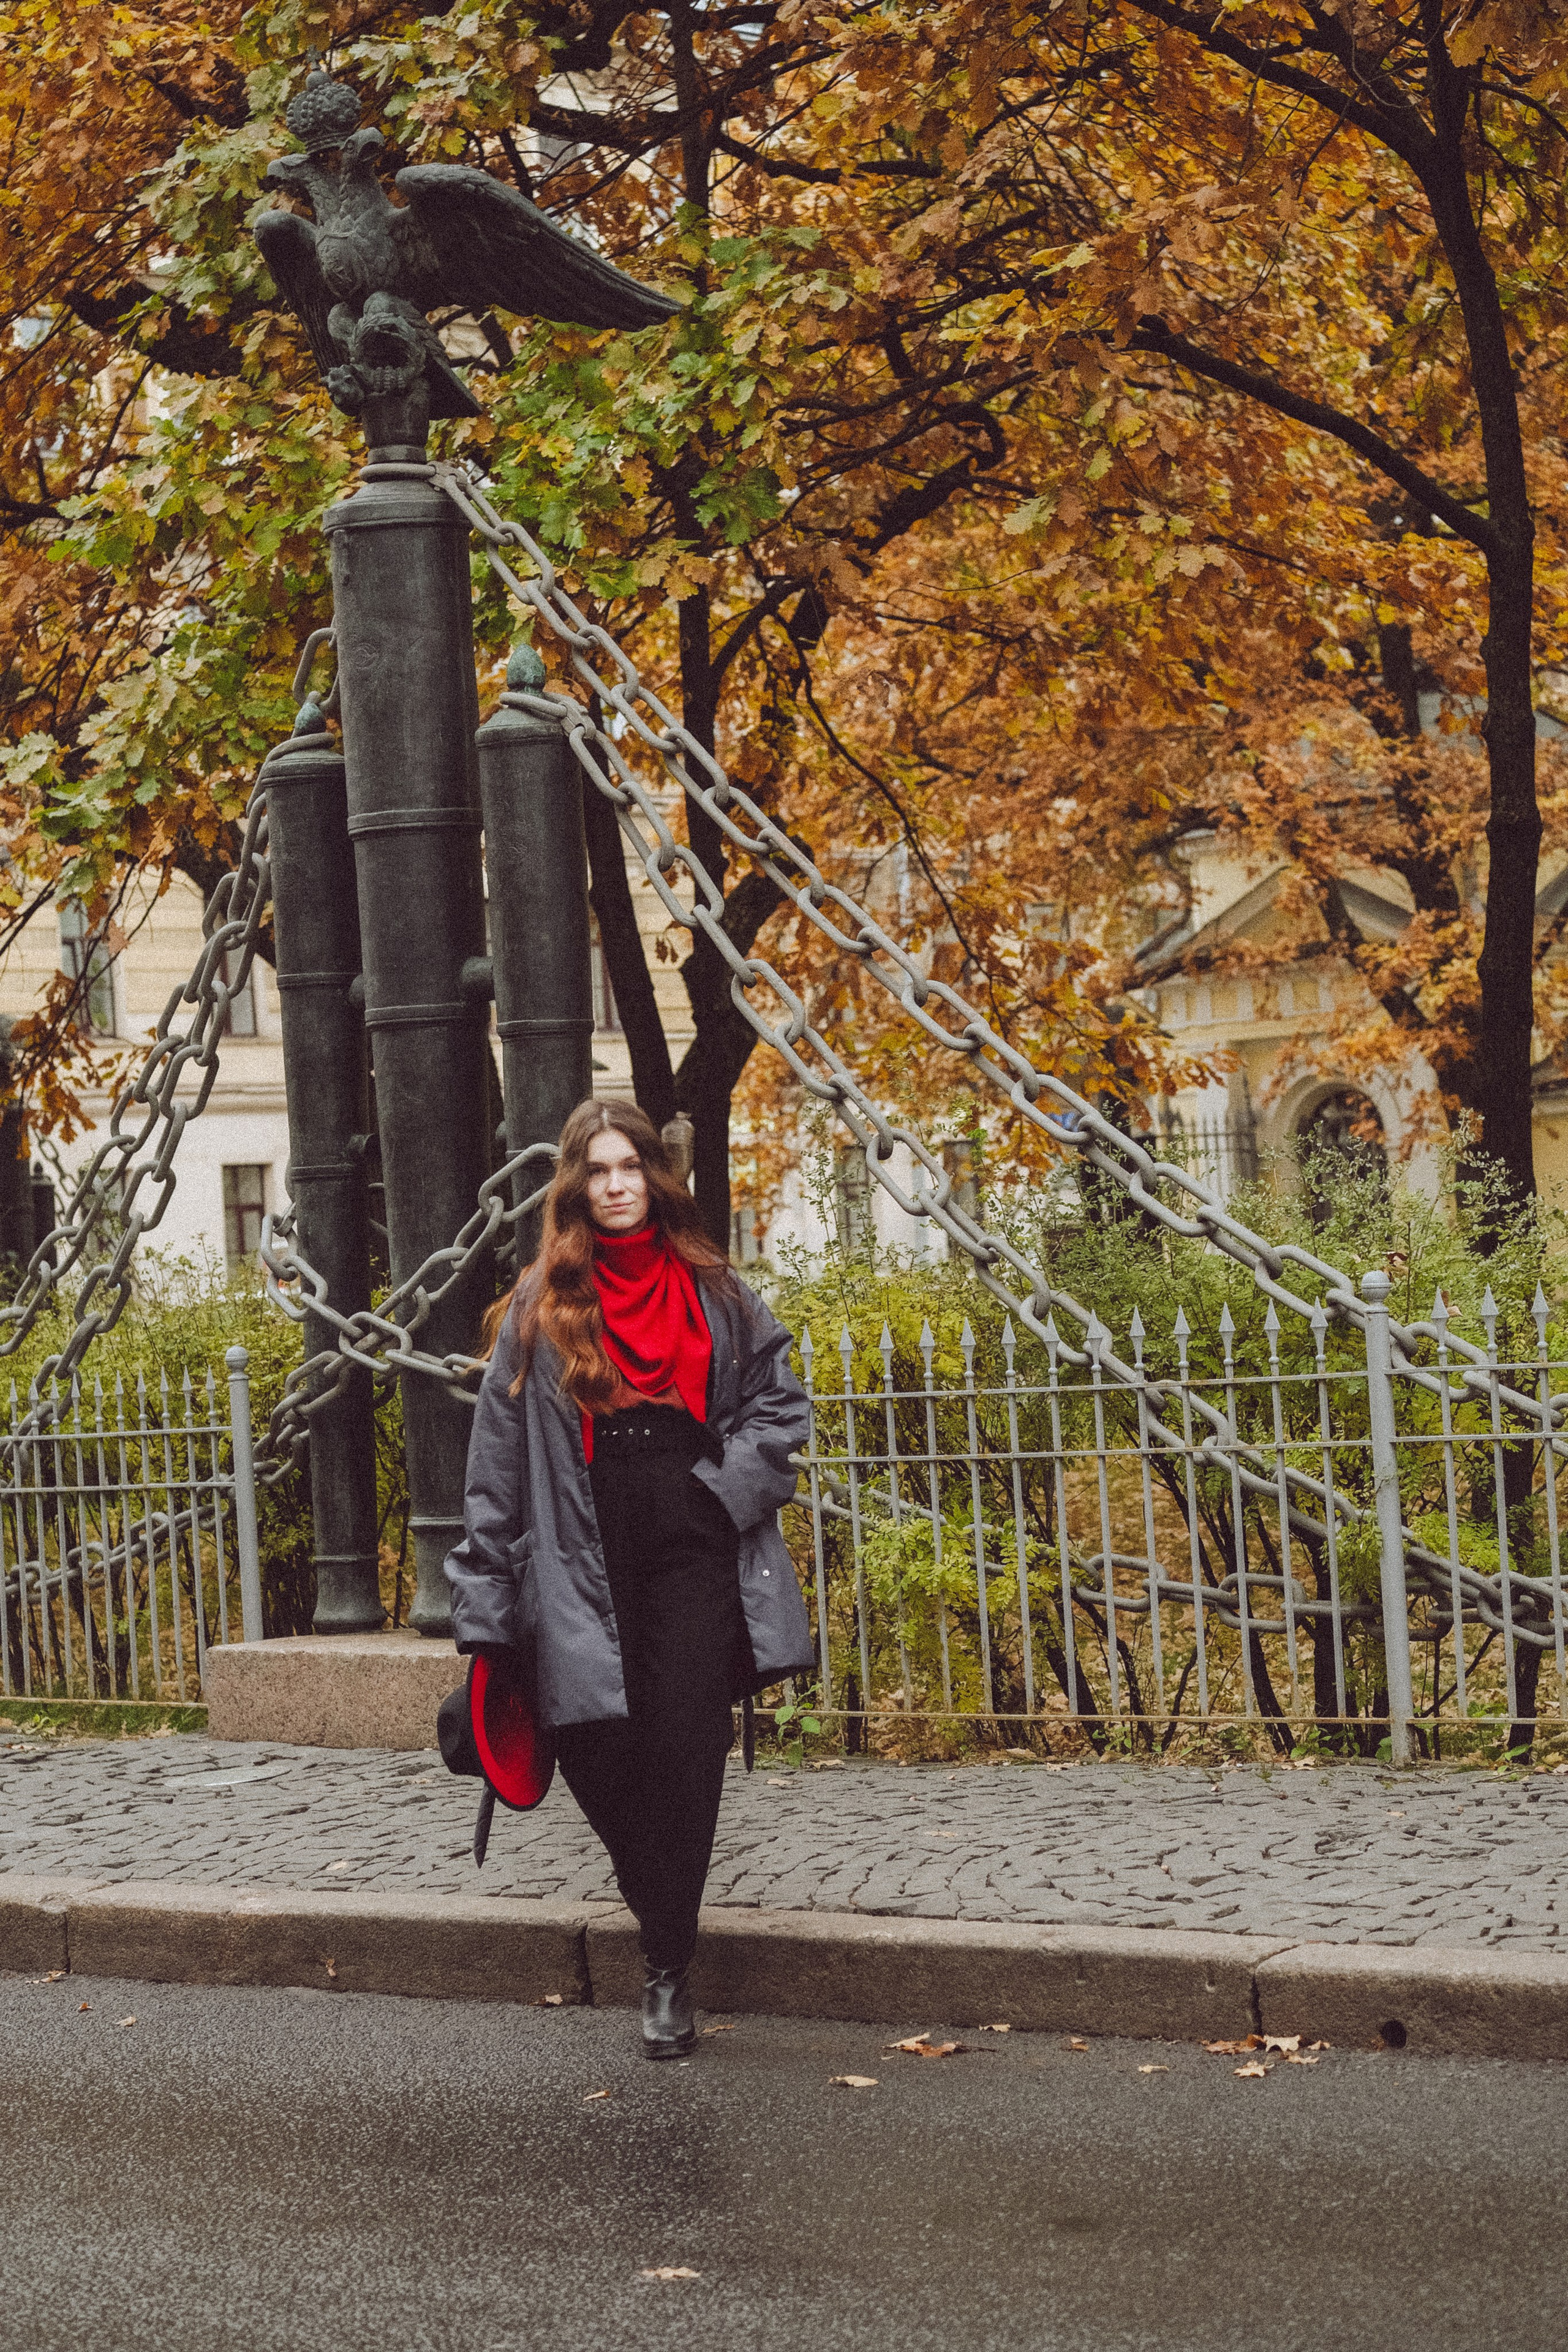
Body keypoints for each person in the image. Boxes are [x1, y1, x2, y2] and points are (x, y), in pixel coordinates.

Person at [445, 1098, 815, 2057]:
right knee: (592, 1744)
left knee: (686, 1749)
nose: (617, 1186)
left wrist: (724, 1492)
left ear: (655, 1175)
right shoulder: (539, 1305)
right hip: (581, 1541)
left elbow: (779, 1404)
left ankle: (666, 1967)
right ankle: (661, 1908)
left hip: (692, 1535)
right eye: (599, 1171)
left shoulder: (715, 1290)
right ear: (577, 1186)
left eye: (631, 1167)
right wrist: (484, 1603)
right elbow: (494, 1468)